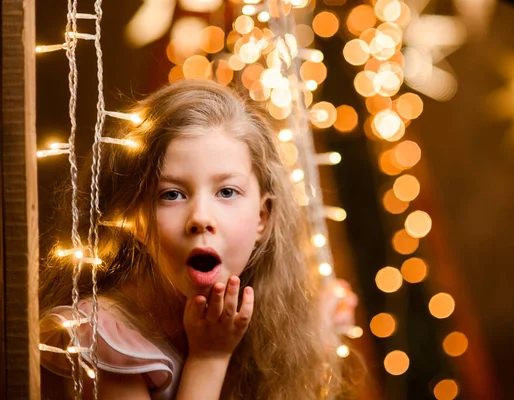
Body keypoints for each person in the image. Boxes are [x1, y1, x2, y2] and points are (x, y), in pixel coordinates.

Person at [39, 79, 360, 399]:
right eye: (172, 194)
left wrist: (317, 335)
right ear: (133, 219)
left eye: (227, 192)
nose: (201, 218)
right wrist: (209, 357)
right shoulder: (105, 338)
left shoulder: (259, 322)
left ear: (262, 218)